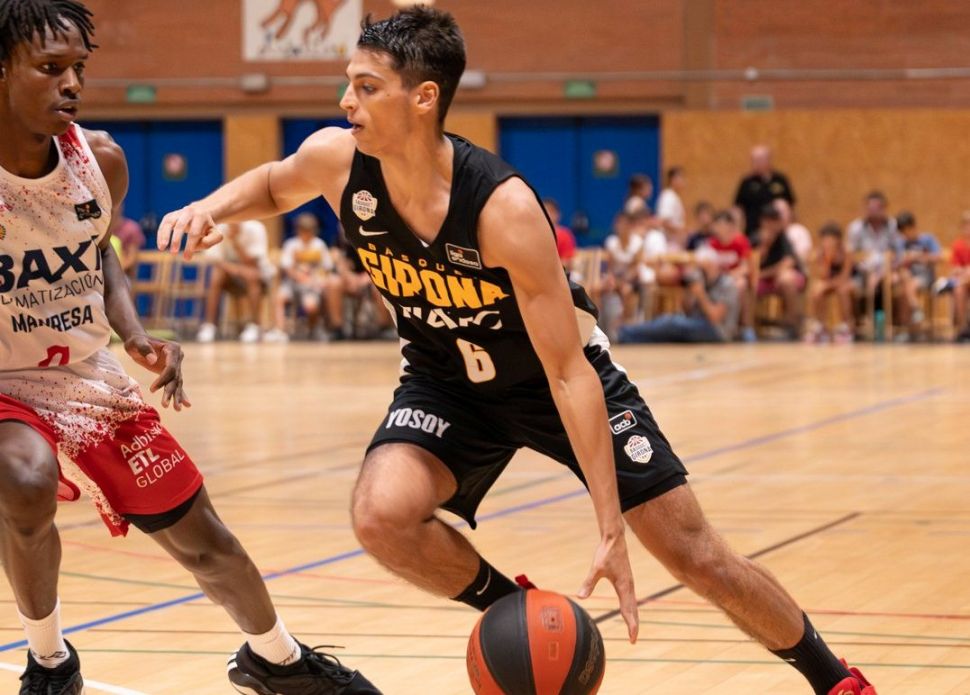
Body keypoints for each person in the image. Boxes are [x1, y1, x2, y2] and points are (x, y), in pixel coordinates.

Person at [157, 8, 876, 695]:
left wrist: (609, 528)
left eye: (367, 88)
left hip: (552, 379)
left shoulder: (501, 209)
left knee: (693, 554)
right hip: (446, 380)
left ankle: (834, 677)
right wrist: (205, 208)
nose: (347, 101)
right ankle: (518, 614)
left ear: (423, 98)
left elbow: (568, 372)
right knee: (381, 515)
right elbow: (274, 184)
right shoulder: (338, 160)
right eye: (349, 84)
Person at [0, 3, 381, 694]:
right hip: (2, 378)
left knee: (204, 540)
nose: (72, 84)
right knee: (25, 480)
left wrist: (134, 334)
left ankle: (279, 660)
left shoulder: (99, 160)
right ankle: (50, 662)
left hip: (82, 370)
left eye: (78, 67)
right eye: (50, 68)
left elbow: (100, 254)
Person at [618, 247, 739, 343]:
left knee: (672, 323)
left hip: (719, 331)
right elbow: (688, 312)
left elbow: (715, 318)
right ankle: (627, 336)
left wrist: (700, 294)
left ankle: (625, 333)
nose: (701, 272)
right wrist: (688, 293)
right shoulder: (702, 281)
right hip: (698, 324)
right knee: (668, 328)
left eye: (704, 268)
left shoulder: (727, 284)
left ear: (714, 265)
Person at [264, 212, 342, 342]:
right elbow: (288, 268)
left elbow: (326, 268)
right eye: (303, 231)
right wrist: (299, 275)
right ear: (298, 231)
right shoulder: (291, 244)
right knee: (280, 297)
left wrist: (317, 280)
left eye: (309, 231)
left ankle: (312, 329)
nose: (306, 234)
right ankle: (279, 330)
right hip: (292, 283)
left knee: (311, 306)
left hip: (312, 284)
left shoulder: (319, 245)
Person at [196, 219, 275, 343]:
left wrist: (235, 242)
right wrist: (237, 270)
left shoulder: (256, 228)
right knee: (216, 275)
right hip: (231, 273)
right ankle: (209, 325)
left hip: (257, 274)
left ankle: (254, 326)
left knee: (252, 276)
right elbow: (216, 261)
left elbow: (253, 263)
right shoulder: (218, 229)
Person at [757, 205, 806, 339]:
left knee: (786, 280)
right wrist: (765, 246)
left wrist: (765, 273)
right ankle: (748, 326)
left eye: (774, 221)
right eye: (767, 221)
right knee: (746, 284)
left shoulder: (784, 239)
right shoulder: (756, 238)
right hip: (763, 279)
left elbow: (788, 263)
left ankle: (792, 324)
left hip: (781, 278)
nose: (770, 225)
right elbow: (751, 262)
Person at [708, 210, 755, 341]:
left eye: (721, 224)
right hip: (717, 280)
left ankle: (745, 326)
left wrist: (730, 276)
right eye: (716, 224)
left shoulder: (740, 241)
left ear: (729, 225)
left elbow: (745, 267)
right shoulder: (712, 243)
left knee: (740, 285)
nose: (718, 228)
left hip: (734, 278)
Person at [804, 223, 854, 344]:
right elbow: (822, 275)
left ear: (838, 239)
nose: (827, 242)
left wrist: (827, 285)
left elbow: (845, 276)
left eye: (830, 239)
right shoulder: (821, 253)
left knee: (843, 291)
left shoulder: (846, 252)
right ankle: (820, 326)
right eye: (824, 239)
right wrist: (825, 260)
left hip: (846, 281)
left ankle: (845, 326)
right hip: (829, 282)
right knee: (816, 290)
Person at [734, 144, 796, 239]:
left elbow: (790, 205)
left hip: (778, 233)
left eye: (759, 160)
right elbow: (738, 208)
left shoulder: (780, 180)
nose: (756, 163)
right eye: (754, 160)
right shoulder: (747, 182)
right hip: (753, 231)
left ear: (768, 160)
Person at [895, 210, 941, 336]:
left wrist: (919, 256)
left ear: (913, 227)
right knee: (904, 283)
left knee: (909, 285)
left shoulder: (928, 239)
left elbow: (938, 257)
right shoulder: (902, 243)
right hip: (908, 278)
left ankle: (914, 317)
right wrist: (905, 259)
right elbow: (896, 263)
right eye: (902, 233)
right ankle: (911, 321)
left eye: (906, 231)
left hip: (926, 277)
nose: (905, 235)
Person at [945, 211, 970, 342]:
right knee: (959, 290)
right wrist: (963, 271)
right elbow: (954, 269)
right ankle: (963, 328)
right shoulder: (958, 245)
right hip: (963, 281)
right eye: (967, 225)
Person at [107, 204, 145, 279]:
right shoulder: (99, 229)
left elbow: (131, 259)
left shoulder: (131, 228)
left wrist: (112, 271)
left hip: (123, 276)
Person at [542, 197, 577, 274]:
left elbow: (568, 262)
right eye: (543, 210)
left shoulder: (565, 235)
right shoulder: (535, 234)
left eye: (551, 211)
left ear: (558, 215)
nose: (547, 214)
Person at [655, 166, 687, 248]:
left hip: (675, 241)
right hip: (669, 241)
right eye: (681, 177)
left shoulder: (674, 196)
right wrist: (680, 231)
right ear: (673, 179)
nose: (684, 181)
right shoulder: (668, 196)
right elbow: (664, 222)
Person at [775, 198, 812, 266]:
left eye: (783, 212)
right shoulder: (771, 236)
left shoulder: (798, 231)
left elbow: (805, 256)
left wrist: (788, 262)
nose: (780, 215)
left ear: (789, 212)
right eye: (776, 212)